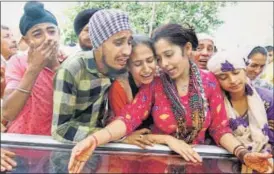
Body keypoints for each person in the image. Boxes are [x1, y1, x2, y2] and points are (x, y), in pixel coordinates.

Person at [68, 24, 273, 173]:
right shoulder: (156, 84)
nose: (164, 64)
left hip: (196, 164)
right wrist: (93, 140)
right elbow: (128, 119)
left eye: (169, 54)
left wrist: (244, 155)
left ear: (186, 49)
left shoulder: (209, 82)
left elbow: (220, 129)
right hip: (155, 165)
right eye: (159, 58)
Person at [52, 9, 132, 143]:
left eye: (129, 42)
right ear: (98, 43)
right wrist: (115, 135)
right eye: (118, 43)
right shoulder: (73, 69)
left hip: (102, 151)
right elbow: (61, 129)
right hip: (70, 152)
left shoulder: (119, 66)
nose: (127, 51)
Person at [2, 1, 62, 135]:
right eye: (37, 34)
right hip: (20, 147)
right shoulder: (17, 62)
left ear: (59, 34)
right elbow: (8, 113)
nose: (48, 38)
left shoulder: (71, 63)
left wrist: (55, 66)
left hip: (55, 149)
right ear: (27, 41)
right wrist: (34, 68)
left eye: (51, 31)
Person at [207, 50, 273, 173]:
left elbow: (272, 138)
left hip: (264, 165)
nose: (232, 80)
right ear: (215, 80)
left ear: (244, 70)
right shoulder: (213, 104)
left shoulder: (267, 99)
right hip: (222, 166)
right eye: (223, 77)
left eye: (236, 72)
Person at [108, 35, 155, 148]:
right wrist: (124, 138)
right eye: (138, 64)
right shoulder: (120, 88)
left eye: (150, 60)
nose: (147, 69)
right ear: (128, 66)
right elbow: (118, 127)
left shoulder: (161, 81)